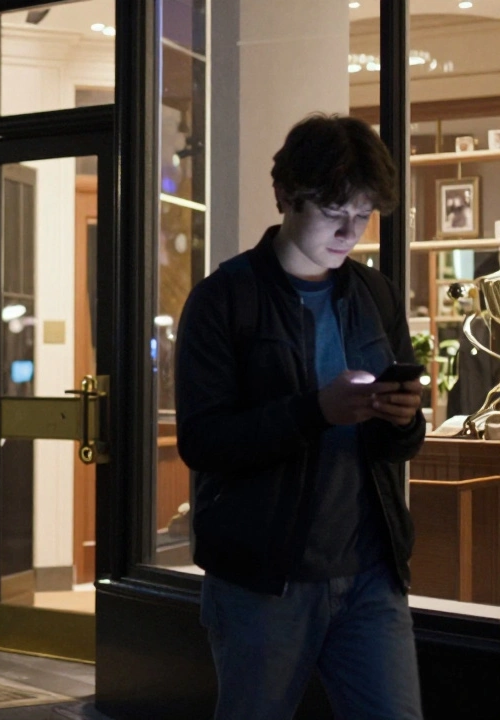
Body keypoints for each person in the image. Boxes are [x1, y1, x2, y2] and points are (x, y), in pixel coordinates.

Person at [176, 114, 425, 720]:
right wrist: (316, 410)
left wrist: (401, 418)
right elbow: (204, 441)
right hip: (264, 580)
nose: (349, 230)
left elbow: (402, 445)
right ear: (286, 195)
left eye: (363, 214)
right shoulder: (224, 299)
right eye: (333, 209)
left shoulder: (377, 295)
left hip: (370, 572)